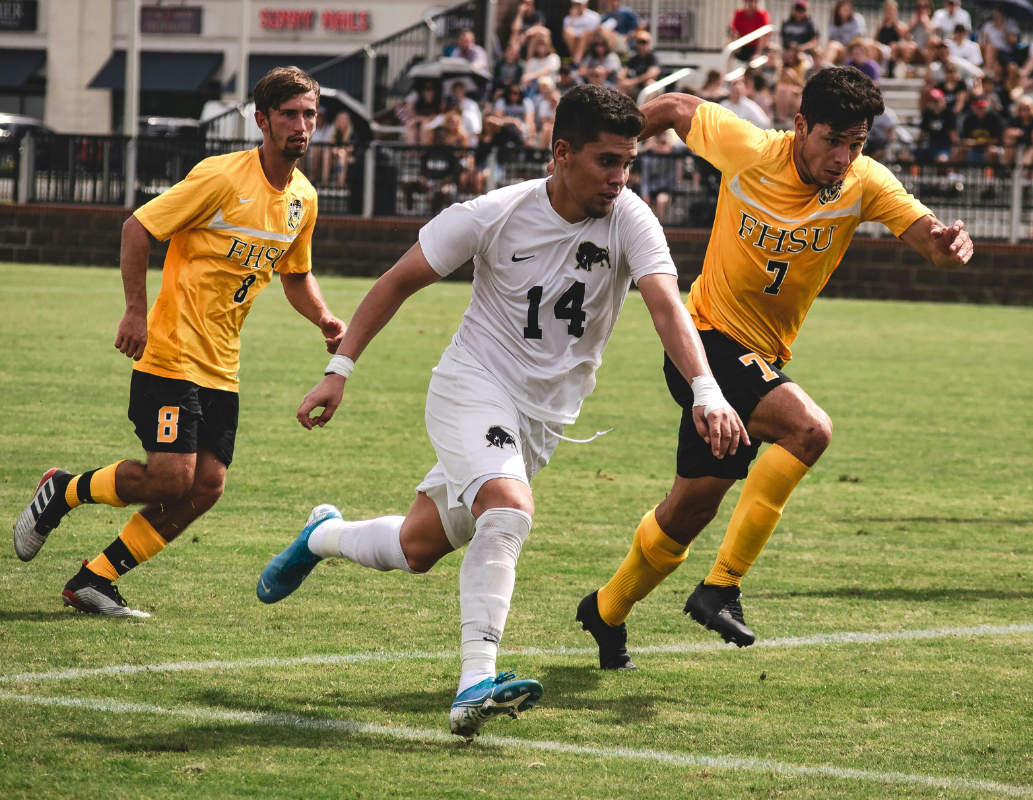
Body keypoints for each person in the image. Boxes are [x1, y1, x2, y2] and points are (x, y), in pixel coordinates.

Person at [255, 83, 747, 736]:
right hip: (472, 388)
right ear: (561, 153)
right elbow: (396, 282)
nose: (620, 178)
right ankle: (474, 685)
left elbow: (666, 306)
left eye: (629, 162)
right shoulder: (492, 213)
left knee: (418, 547)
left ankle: (322, 534)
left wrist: (706, 389)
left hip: (541, 422)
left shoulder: (631, 218)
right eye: (607, 161)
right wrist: (337, 371)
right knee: (509, 510)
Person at [576, 67, 973, 668]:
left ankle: (605, 611)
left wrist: (946, 249)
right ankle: (721, 587)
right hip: (705, 343)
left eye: (856, 143)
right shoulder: (752, 150)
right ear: (800, 127)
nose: (843, 157)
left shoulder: (864, 182)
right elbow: (679, 107)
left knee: (687, 513)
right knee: (808, 429)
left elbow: (926, 238)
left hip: (758, 358)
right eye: (832, 140)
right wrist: (619, 148)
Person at [13, 67, 346, 616]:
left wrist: (325, 319)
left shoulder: (303, 199)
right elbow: (138, 227)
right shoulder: (221, 177)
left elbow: (294, 274)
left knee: (207, 486)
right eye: (289, 114)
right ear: (262, 121)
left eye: (309, 114)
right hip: (170, 352)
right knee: (171, 478)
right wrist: (136, 311)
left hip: (222, 364)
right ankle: (64, 490)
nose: (302, 125)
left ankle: (95, 578)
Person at [916, 87, 956, 163]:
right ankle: (914, 175)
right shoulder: (927, 113)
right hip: (930, 146)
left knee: (941, 160)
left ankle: (943, 175)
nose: (935, 104)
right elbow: (922, 133)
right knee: (907, 156)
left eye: (936, 101)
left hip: (944, 147)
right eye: (932, 101)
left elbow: (953, 135)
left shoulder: (949, 114)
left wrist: (953, 149)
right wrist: (917, 144)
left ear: (942, 101)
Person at [618, 31, 661, 98]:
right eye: (640, 43)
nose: (642, 46)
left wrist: (632, 82)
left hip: (655, 89)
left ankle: (646, 108)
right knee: (622, 85)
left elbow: (652, 75)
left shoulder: (653, 58)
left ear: (649, 44)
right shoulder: (634, 58)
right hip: (637, 88)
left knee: (650, 83)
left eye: (644, 43)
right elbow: (623, 71)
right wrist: (622, 79)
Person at [824, 0, 866, 65]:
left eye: (847, 9)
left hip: (852, 50)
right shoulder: (833, 21)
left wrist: (846, 47)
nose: (846, 11)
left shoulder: (857, 19)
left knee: (869, 44)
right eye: (843, 9)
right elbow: (830, 39)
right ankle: (826, 67)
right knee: (832, 46)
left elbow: (858, 39)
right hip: (838, 50)